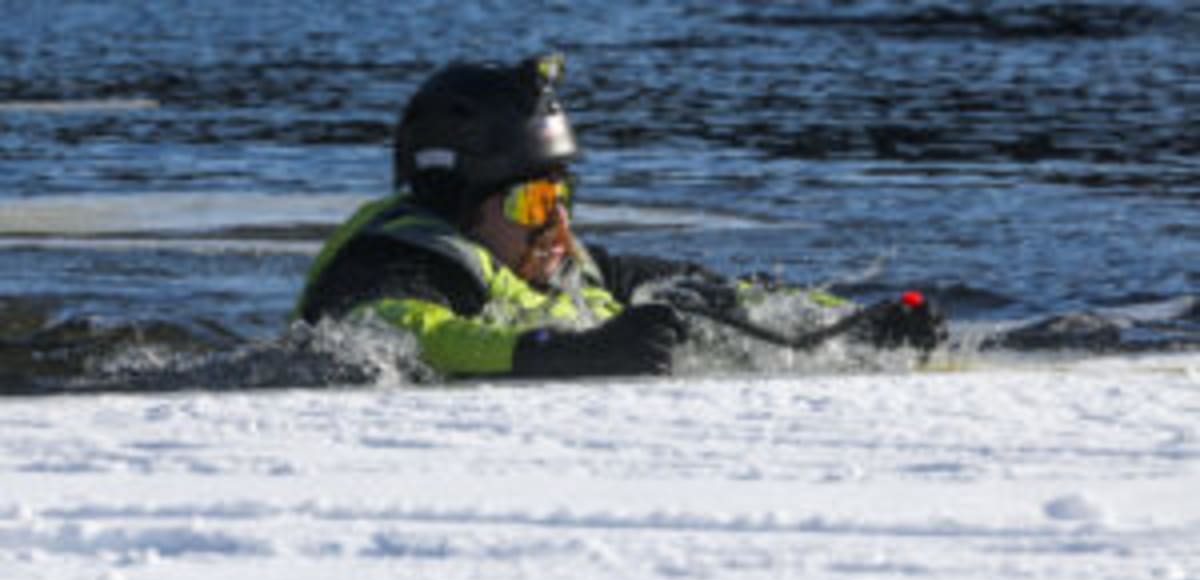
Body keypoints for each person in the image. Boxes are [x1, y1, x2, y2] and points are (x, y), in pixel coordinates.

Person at [295, 54, 944, 379]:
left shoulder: (572, 268)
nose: (558, 229)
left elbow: (721, 293)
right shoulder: (389, 266)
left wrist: (847, 323)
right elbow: (419, 334)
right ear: (456, 206)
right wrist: (572, 355)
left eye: (562, 199)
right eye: (534, 204)